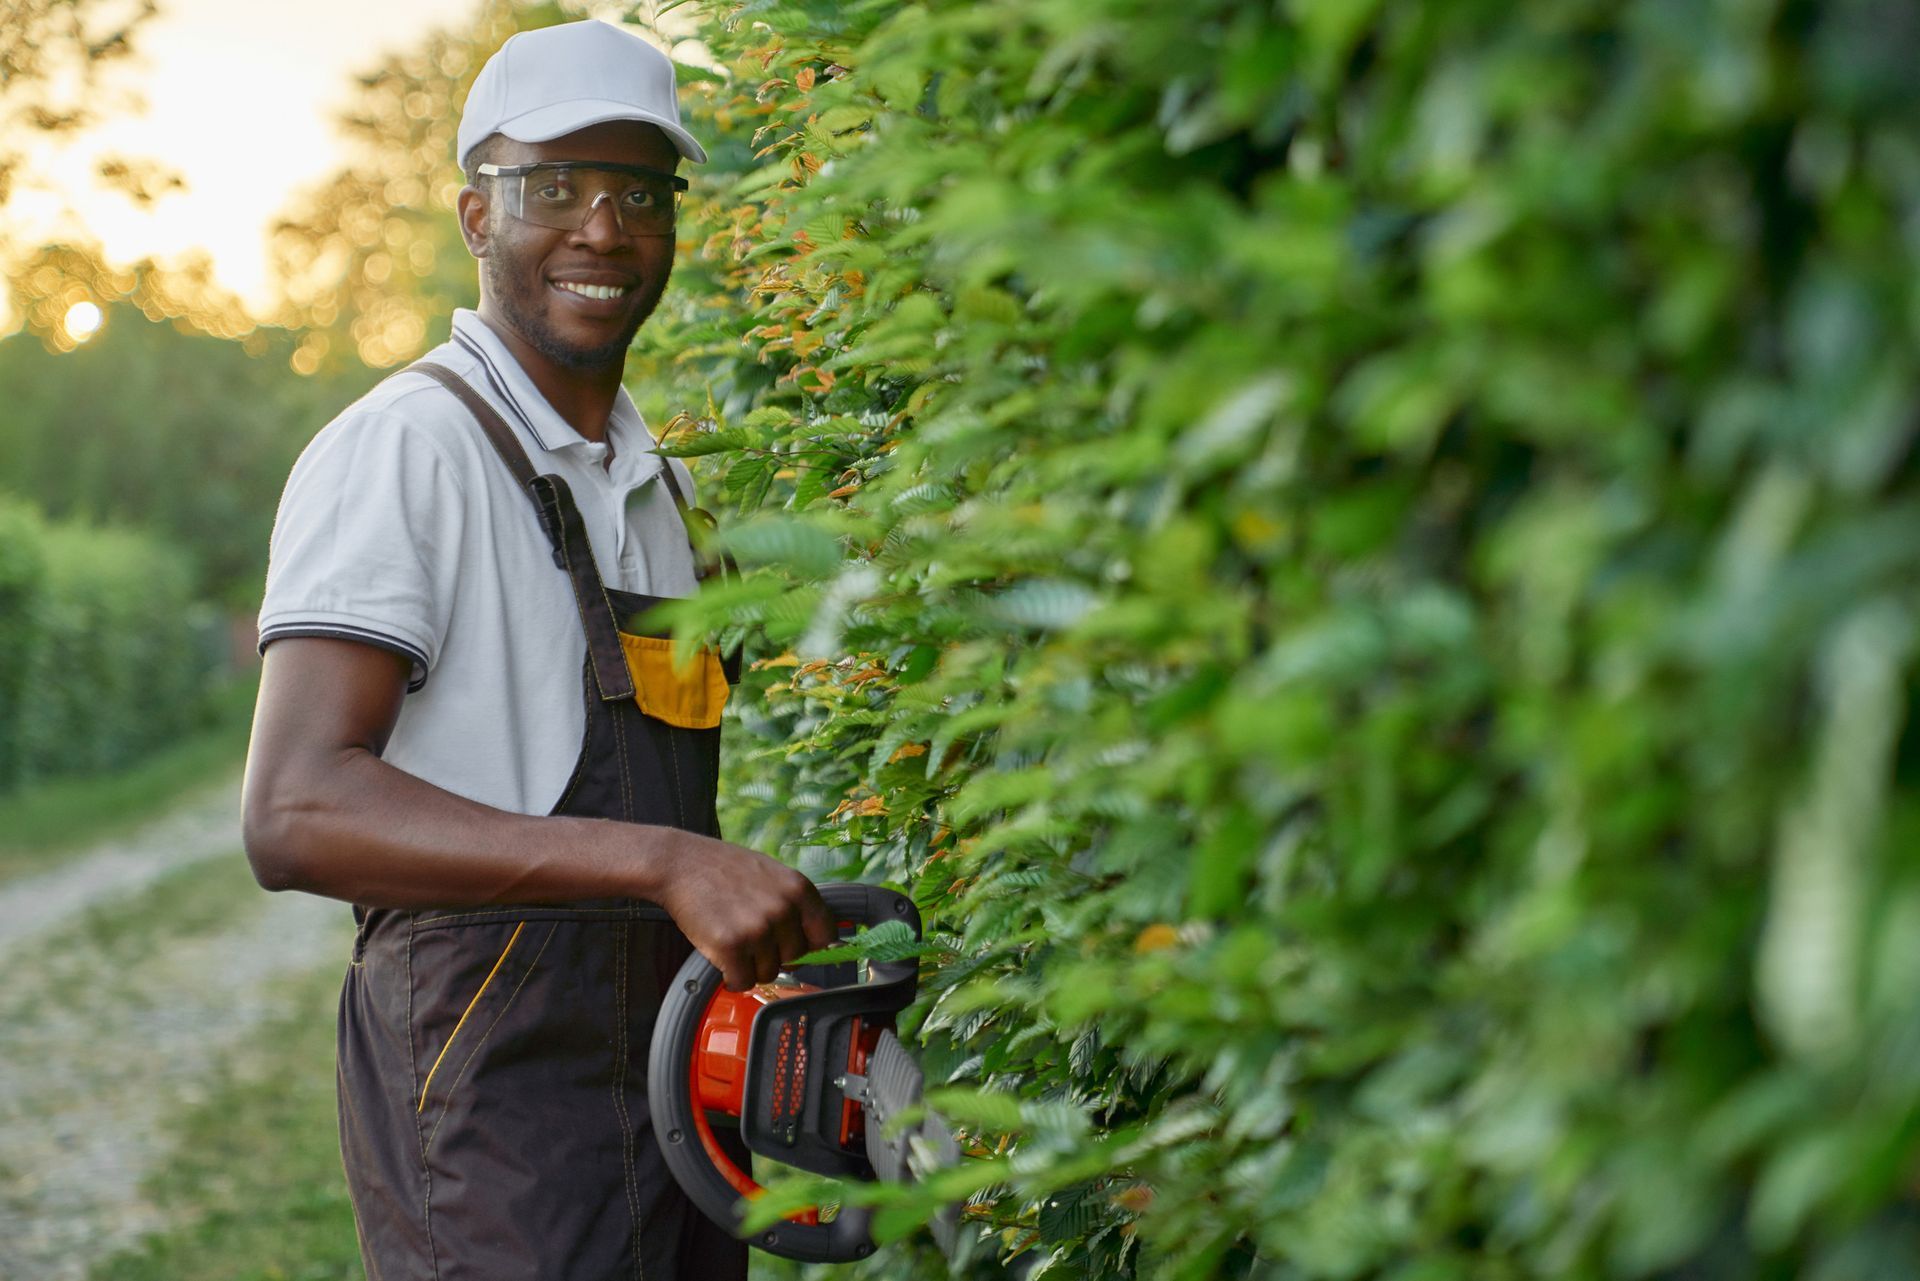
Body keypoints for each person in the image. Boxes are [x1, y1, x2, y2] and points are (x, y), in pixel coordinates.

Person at [242, 19, 834, 1280]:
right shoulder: (410, 447)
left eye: (637, 190)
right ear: (475, 215)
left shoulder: (662, 490)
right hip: (495, 1118)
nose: (601, 228)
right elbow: (292, 811)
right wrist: (666, 861)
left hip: (680, 1115)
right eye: (550, 187)